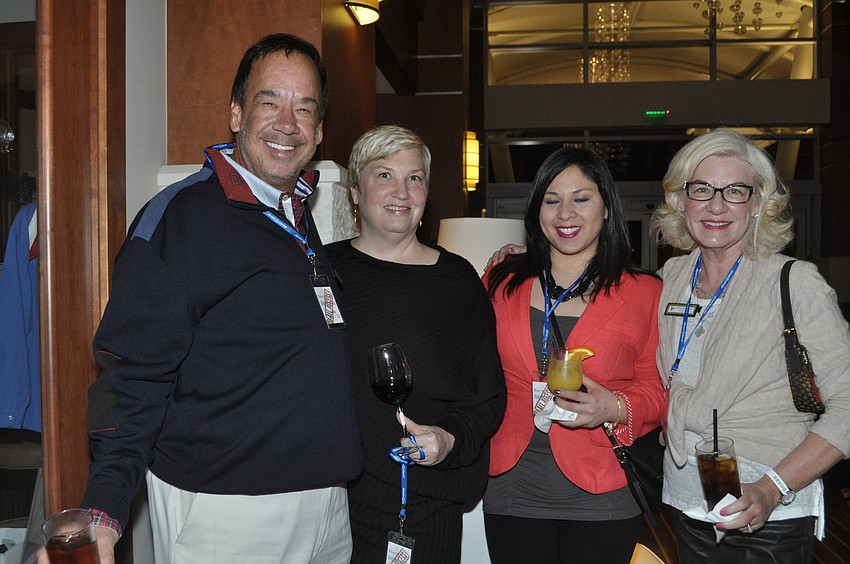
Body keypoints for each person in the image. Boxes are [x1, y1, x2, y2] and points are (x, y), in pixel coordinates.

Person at [39, 34, 362, 564]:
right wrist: (105, 506)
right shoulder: (180, 218)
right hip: (228, 515)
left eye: (305, 108)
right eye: (269, 102)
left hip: (326, 508)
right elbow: (130, 373)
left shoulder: (295, 216)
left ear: (320, 129)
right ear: (236, 113)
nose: (288, 122)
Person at [650, 129, 850, 563]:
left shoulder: (795, 282)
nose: (716, 205)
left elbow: (848, 405)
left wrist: (772, 488)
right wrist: (525, 259)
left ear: (757, 204)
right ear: (680, 200)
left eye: (735, 191)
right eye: (702, 189)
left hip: (768, 513)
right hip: (687, 503)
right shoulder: (670, 279)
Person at [325, 125, 506, 563]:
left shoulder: (456, 280)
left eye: (415, 178)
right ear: (355, 190)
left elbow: (487, 395)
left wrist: (449, 439)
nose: (401, 191)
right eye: (384, 174)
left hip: (424, 501)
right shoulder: (322, 271)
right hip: (329, 500)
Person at [482, 147, 666, 564]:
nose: (566, 213)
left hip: (603, 489)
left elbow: (659, 391)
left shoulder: (645, 293)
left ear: (606, 208)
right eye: (552, 200)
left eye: (581, 198)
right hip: (513, 486)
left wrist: (614, 405)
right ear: (537, 211)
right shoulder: (500, 280)